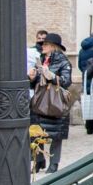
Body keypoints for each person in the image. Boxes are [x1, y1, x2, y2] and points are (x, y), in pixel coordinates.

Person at [27, 32, 72, 173]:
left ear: (53, 47)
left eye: (45, 44)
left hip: (55, 102)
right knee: (35, 132)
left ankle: (54, 163)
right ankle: (39, 160)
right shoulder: (40, 60)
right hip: (40, 101)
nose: (42, 46)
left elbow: (66, 81)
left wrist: (51, 76)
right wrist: (32, 78)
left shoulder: (64, 62)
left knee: (55, 134)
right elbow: (33, 84)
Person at [78, 30, 93, 135]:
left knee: (88, 101)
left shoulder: (82, 50)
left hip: (85, 75)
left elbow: (79, 65)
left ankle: (88, 127)